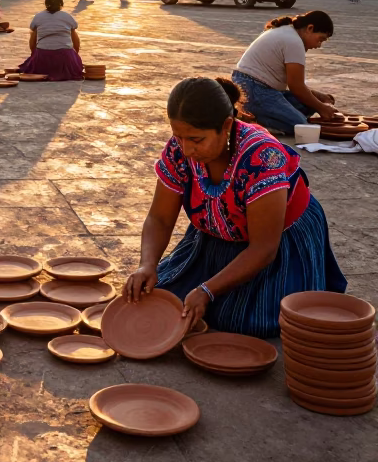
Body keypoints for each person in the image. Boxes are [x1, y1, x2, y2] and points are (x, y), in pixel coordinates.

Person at [124, 77, 346, 338]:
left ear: (226, 126)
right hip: (217, 236)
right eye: (179, 137)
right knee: (166, 296)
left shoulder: (262, 157)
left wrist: (207, 290)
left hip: (278, 244)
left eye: (196, 139)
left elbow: (264, 248)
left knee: (244, 321)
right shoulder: (180, 149)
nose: (187, 149)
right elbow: (160, 218)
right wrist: (146, 264)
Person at [231, 11, 341, 135]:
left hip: (260, 87)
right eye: (320, 39)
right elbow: (296, 87)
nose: (319, 45)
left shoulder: (289, 33)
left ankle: (269, 116)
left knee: (311, 104)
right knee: (301, 126)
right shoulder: (294, 41)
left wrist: (319, 97)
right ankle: (252, 121)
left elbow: (296, 84)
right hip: (252, 89)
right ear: (310, 28)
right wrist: (322, 108)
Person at [16, 0, 83, 81]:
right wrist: (74, 56)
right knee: (73, 33)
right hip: (65, 56)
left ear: (46, 4)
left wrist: (34, 55)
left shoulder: (38, 16)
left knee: (33, 32)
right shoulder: (67, 16)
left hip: (43, 55)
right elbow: (76, 42)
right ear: (61, 4)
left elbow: (33, 40)